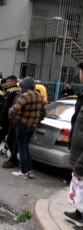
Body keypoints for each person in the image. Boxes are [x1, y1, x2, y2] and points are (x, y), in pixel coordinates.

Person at [9, 77, 46, 179]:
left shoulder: (25, 96)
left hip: (22, 125)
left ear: (25, 85)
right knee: (26, 148)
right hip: (32, 126)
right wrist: (37, 121)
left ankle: (23, 171)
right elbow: (43, 112)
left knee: (22, 148)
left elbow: (14, 109)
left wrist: (11, 118)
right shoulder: (39, 95)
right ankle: (29, 170)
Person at [64, 62, 83, 223]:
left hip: (82, 157)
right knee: (78, 187)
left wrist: (80, 164)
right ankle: (79, 212)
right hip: (78, 150)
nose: (80, 75)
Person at [0, 76, 21, 168]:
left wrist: (8, 117)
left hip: (18, 121)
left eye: (8, 81)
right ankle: (13, 158)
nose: (7, 83)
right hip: (13, 121)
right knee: (9, 140)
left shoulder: (16, 93)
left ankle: (14, 159)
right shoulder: (17, 93)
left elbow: (14, 108)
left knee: (13, 141)